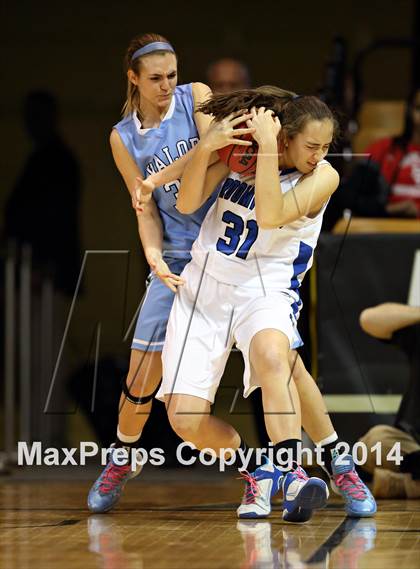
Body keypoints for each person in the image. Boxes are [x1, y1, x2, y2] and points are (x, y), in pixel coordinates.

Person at [157, 87, 376, 521]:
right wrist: (211, 145)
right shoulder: (246, 153)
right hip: (206, 285)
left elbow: (272, 215)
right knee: (184, 420)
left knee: (277, 358)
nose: (318, 154)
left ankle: (295, 473)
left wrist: (270, 153)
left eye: (325, 147)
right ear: (287, 136)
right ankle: (263, 468)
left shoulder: (323, 176)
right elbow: (185, 202)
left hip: (267, 287)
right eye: (311, 145)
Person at [87, 32, 221, 513]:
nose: (167, 86)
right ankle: (123, 455)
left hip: (228, 250)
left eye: (172, 76)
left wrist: (159, 176)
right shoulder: (121, 138)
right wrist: (153, 256)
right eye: (156, 79)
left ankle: (288, 467)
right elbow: (143, 206)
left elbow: (213, 150)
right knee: (143, 372)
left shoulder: (198, 97)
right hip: (179, 256)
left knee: (271, 359)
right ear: (134, 79)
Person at [358, 302, 420, 498]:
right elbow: (369, 319)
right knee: (372, 444)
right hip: (412, 446)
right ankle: (412, 483)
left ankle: (408, 486)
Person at [364, 87, 420, 218]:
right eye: (419, 108)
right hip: (387, 227)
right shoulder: (382, 148)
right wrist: (387, 209)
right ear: (410, 111)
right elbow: (356, 197)